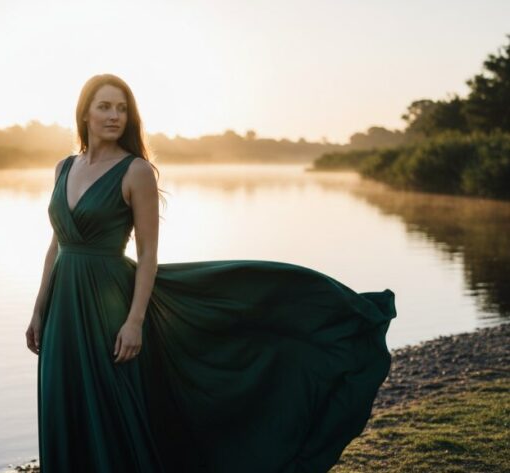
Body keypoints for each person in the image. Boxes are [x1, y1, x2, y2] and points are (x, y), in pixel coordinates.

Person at [26, 73, 396, 473]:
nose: (114, 116)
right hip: (62, 308)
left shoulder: (135, 171)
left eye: (122, 108)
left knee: (110, 410)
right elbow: (56, 244)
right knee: (64, 403)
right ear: (84, 113)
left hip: (107, 305)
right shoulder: (64, 168)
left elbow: (148, 252)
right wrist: (38, 309)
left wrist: (135, 321)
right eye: (104, 106)